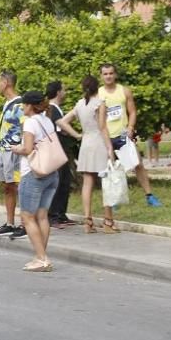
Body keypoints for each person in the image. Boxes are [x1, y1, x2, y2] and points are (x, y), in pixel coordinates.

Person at [57, 75, 119, 234]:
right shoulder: (99, 103)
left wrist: (77, 135)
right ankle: (108, 221)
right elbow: (103, 127)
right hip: (99, 142)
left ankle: (87, 221)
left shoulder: (79, 104)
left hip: (86, 142)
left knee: (87, 182)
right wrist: (110, 148)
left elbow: (62, 121)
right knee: (106, 182)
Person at [10, 91, 59, 272]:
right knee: (42, 216)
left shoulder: (30, 122)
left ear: (30, 106)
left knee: (27, 217)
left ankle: (42, 258)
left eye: (23, 104)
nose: (22, 107)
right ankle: (40, 256)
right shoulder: (47, 120)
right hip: (51, 172)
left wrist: (17, 149)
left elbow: (28, 149)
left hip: (33, 173)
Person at [100, 63, 162, 206]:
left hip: (122, 135)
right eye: (105, 74)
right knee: (109, 168)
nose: (108, 76)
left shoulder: (124, 91)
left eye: (111, 73)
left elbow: (132, 111)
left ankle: (149, 196)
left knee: (137, 164)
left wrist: (131, 127)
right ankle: (112, 200)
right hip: (106, 136)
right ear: (101, 76)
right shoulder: (99, 94)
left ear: (115, 75)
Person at [0, 70, 26, 239]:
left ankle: (24, 224)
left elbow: (25, 128)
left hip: (14, 151)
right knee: (7, 186)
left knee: (18, 185)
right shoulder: (7, 104)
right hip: (4, 150)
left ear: (6, 82)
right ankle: (10, 223)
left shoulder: (19, 105)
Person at [46, 81, 76, 228]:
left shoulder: (54, 108)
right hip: (56, 149)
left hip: (60, 148)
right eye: (63, 90)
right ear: (58, 92)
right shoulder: (53, 108)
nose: (65, 92)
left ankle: (61, 214)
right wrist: (77, 135)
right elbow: (62, 124)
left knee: (65, 181)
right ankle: (53, 216)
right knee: (58, 182)